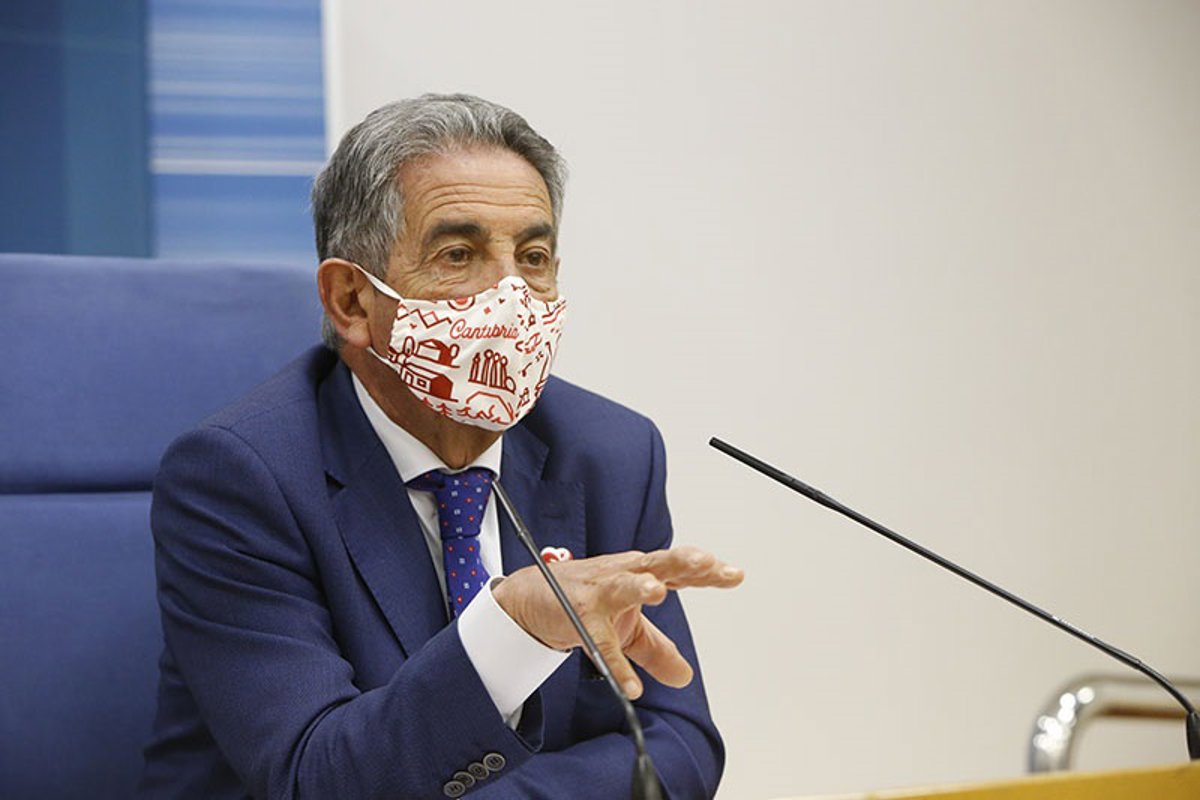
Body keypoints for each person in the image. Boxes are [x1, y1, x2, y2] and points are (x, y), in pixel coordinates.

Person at [138, 93, 743, 799]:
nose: (512, 297)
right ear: (351, 301)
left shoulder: (610, 451)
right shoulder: (240, 477)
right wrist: (513, 631)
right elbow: (314, 778)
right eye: (459, 254)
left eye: (533, 256)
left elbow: (676, 744)